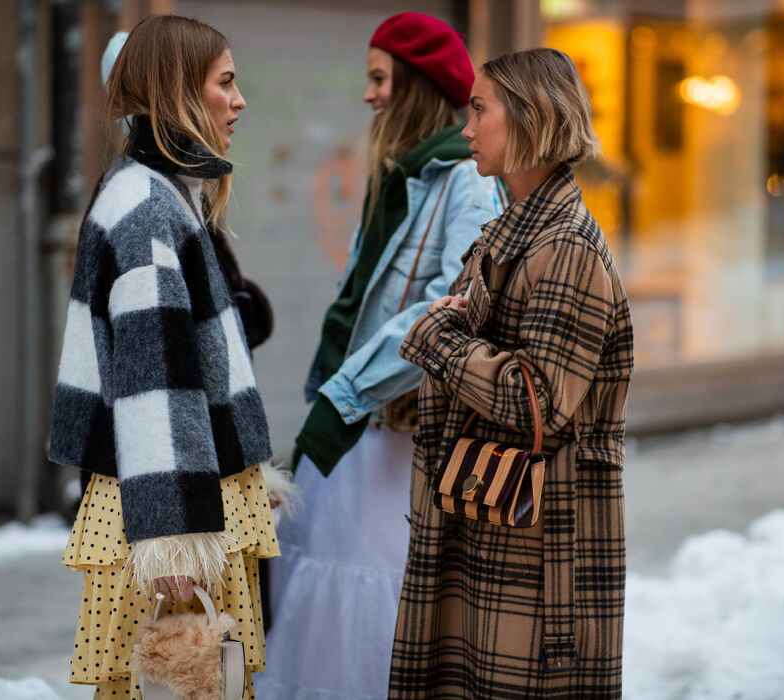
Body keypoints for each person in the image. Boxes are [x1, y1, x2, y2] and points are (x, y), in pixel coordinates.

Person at [255, 12, 502, 700]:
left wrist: (345, 395)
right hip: (362, 424)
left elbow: (445, 309)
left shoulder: (465, 180)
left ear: (415, 84)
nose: (367, 94)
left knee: (372, 596)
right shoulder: (403, 173)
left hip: (399, 430)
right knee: (324, 585)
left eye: (378, 77)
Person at [48, 15, 283, 699]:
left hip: (167, 495)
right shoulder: (150, 209)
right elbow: (154, 389)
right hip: (167, 511)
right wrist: (173, 539)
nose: (239, 101)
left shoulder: (154, 192)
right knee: (182, 680)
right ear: (180, 91)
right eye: (226, 83)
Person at [389, 48, 634, 698]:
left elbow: (538, 400)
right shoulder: (516, 231)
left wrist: (435, 336)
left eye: (479, 108)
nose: (466, 127)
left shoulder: (564, 248)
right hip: (495, 523)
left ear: (529, 117)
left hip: (536, 552)